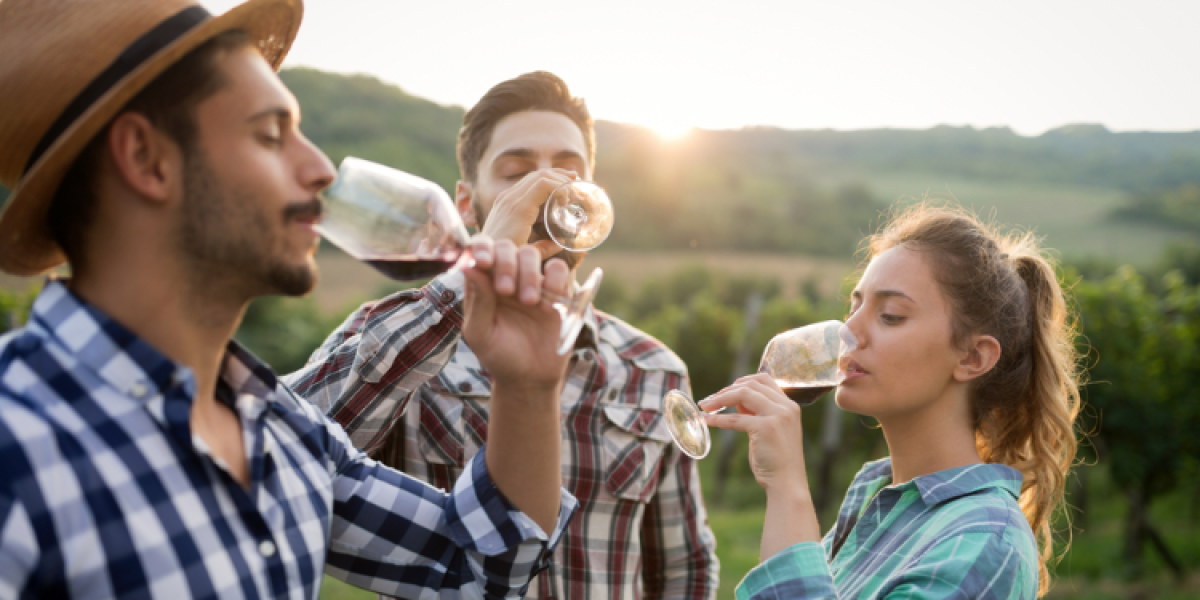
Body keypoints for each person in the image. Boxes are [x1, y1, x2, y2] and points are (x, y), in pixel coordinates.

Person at [0, 0, 579, 597]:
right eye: (271, 134)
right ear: (147, 159)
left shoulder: (284, 427)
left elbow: (481, 570)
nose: (321, 167)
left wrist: (527, 390)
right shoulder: (16, 443)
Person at [287, 72, 720, 599]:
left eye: (569, 170)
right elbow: (279, 451)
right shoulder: (392, 339)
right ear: (466, 204)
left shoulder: (654, 369)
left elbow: (683, 568)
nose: (546, 188)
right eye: (516, 172)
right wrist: (463, 284)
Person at [703, 205, 1081, 599]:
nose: (849, 331)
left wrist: (787, 488)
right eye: (854, 307)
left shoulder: (983, 542)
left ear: (973, 358)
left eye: (891, 315)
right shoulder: (877, 500)